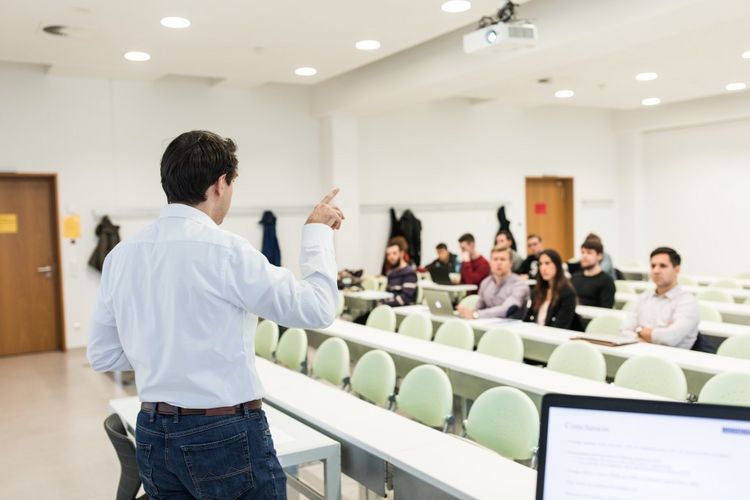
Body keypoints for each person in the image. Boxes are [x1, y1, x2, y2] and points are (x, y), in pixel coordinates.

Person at [87, 130, 344, 499]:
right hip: (223, 433)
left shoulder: (122, 256)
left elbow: (102, 354)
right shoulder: (226, 251)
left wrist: (166, 355)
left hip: (152, 431)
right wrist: (317, 235)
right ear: (220, 184)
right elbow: (318, 308)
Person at [621, 247, 699, 349]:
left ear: (677, 269)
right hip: (640, 355)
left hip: (673, 361)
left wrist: (639, 331)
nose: (656, 271)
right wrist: (647, 337)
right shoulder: (643, 298)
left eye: (663, 266)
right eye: (653, 266)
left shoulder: (687, 302)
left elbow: (670, 338)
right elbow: (624, 330)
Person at [457, 246, 529, 320]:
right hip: (488, 326)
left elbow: (507, 309)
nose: (498, 263)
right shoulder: (485, 283)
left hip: (512, 328)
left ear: (510, 263)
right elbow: (478, 308)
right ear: (490, 262)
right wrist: (467, 313)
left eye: (502, 259)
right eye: (495, 259)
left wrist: (476, 315)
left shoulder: (519, 284)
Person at [524, 249, 582, 330]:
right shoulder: (537, 291)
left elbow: (560, 326)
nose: (543, 268)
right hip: (536, 335)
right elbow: (527, 319)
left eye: (547, 263)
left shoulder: (567, 293)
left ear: (557, 266)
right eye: (540, 264)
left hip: (555, 338)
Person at [570, 238, 616, 309]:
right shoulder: (574, 277)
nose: (584, 256)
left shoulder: (607, 281)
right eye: (582, 252)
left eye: (589, 253)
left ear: (599, 256)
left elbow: (606, 310)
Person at [382, 237, 418, 307]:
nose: (391, 257)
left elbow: (405, 299)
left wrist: (384, 304)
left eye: (394, 253)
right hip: (390, 308)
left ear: (401, 253)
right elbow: (387, 294)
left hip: (402, 310)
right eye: (388, 254)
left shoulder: (409, 273)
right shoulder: (390, 273)